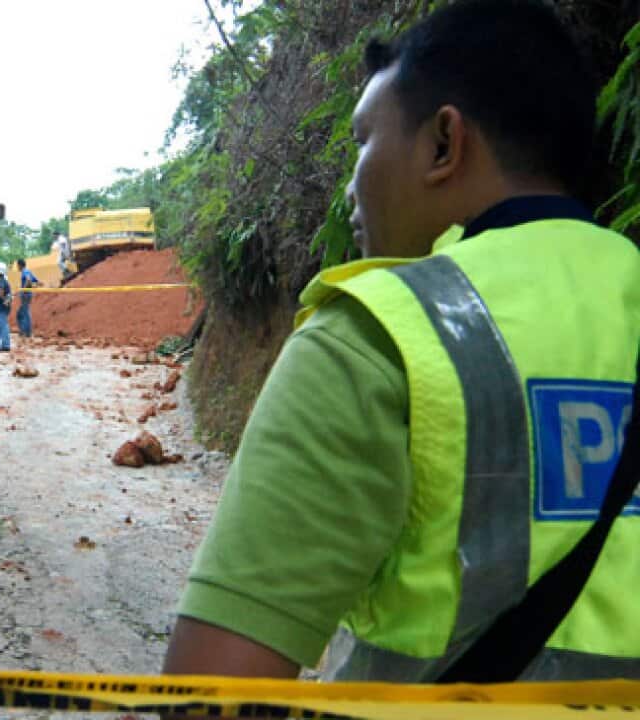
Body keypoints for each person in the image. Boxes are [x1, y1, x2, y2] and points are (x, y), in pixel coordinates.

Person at [164, 0, 640, 685]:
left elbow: (212, 692)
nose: (350, 188)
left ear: (444, 143)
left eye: (363, 141)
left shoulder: (378, 336)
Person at [16, 257, 40, 338]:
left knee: (24, 313)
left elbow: (29, 280)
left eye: (17, 266)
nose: (17, 267)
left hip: (25, 295)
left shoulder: (25, 271)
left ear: (20, 265)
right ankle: (24, 331)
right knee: (21, 313)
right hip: (28, 294)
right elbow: (37, 281)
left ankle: (27, 332)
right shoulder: (28, 271)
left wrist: (23, 290)